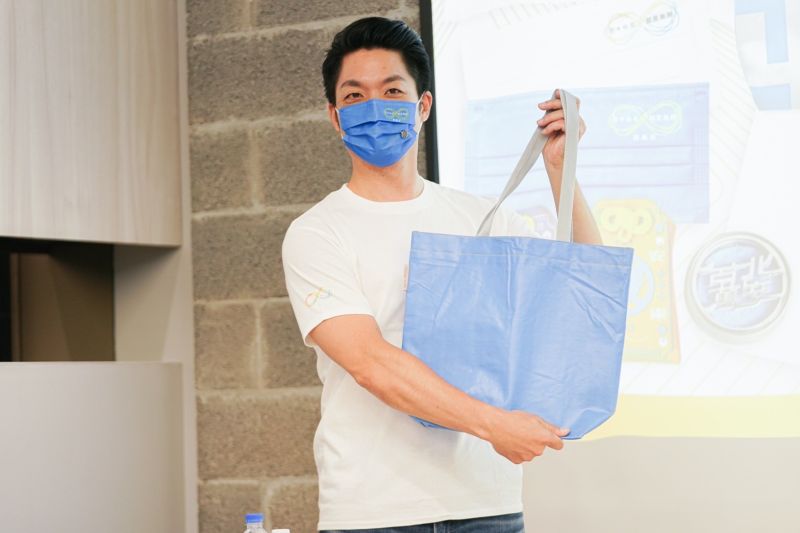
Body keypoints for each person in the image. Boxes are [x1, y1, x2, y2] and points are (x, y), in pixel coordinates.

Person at [281, 16, 601, 533]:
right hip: (375, 513)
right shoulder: (317, 233)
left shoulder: (482, 218)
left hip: (488, 507)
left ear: (423, 105)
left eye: (392, 90)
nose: (374, 107)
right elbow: (371, 364)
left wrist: (563, 170)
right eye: (355, 96)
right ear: (335, 117)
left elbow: (582, 293)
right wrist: (495, 425)